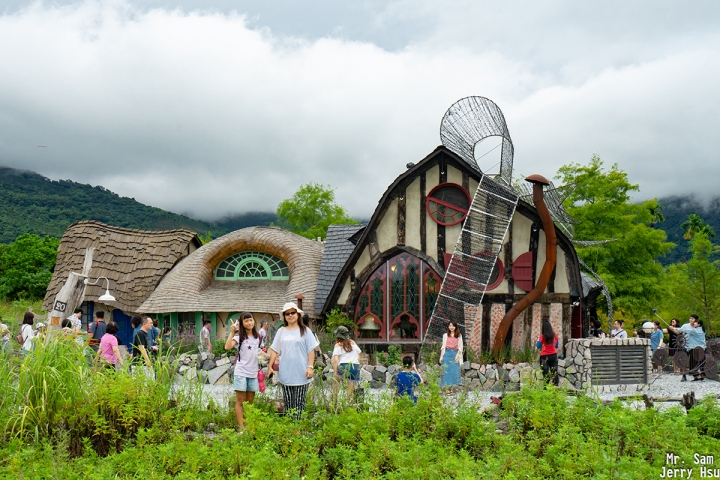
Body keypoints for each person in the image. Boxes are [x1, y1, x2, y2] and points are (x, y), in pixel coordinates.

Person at [266, 302, 318, 420]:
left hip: (301, 372)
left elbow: (311, 350)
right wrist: (270, 366)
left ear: (298, 314)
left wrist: (310, 367)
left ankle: (298, 428)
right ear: (284, 316)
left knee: (299, 402)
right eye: (287, 313)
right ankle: (290, 428)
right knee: (288, 402)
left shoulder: (305, 331)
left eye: (292, 313)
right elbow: (274, 350)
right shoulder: (281, 331)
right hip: (285, 371)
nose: (290, 315)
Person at [225, 312, 261, 427]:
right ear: (242, 323)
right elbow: (227, 347)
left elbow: (261, 351)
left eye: (251, 320)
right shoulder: (239, 336)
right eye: (246, 321)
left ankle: (248, 425)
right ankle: (241, 428)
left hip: (253, 372)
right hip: (241, 372)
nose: (249, 323)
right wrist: (232, 332)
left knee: (250, 402)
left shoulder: (258, 337)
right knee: (240, 400)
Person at [668, 314, 707, 382]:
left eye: (692, 319)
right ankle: (684, 375)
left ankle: (698, 375)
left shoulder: (696, 329)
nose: (690, 320)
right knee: (684, 360)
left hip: (693, 347)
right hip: (685, 345)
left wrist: (674, 328)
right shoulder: (686, 325)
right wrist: (672, 329)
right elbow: (679, 332)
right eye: (690, 318)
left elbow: (684, 330)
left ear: (696, 321)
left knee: (695, 362)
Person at [332, 326, 361, 402]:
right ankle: (350, 403)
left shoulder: (338, 345)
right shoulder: (353, 343)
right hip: (355, 366)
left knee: (336, 382)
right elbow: (358, 356)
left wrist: (335, 372)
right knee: (351, 387)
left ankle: (334, 401)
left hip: (344, 366)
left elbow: (335, 360)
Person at [439, 321, 463, 395]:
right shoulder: (445, 335)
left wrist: (457, 355)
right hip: (447, 353)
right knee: (446, 371)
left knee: (453, 371)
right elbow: (443, 347)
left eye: (453, 326)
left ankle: (451, 389)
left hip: (455, 354)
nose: (451, 327)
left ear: (455, 327)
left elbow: (460, 347)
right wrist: (441, 357)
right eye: (450, 326)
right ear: (448, 327)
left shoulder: (459, 335)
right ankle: (447, 389)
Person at [536, 320, 559, 386]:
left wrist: (538, 340)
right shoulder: (555, 336)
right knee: (554, 373)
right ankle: (555, 389)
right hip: (553, 356)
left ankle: (546, 389)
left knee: (545, 375)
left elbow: (538, 346)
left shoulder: (542, 336)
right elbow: (556, 346)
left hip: (544, 357)